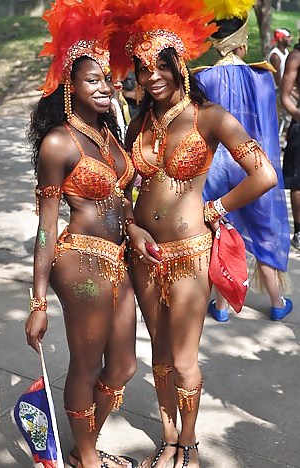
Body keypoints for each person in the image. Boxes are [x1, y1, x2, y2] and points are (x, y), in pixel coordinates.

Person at [109, 1, 278, 467]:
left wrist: (218, 207)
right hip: (143, 253)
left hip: (190, 253)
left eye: (161, 66)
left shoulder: (209, 117)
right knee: (159, 354)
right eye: (143, 70)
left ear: (178, 65)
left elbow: (262, 173)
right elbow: (122, 189)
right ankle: (168, 441)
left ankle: (189, 445)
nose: (152, 77)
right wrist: (132, 224)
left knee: (183, 360)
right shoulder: (139, 123)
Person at [24, 1, 137, 468]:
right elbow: (47, 226)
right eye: (93, 79)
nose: (106, 87)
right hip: (80, 264)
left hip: (119, 258)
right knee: (87, 365)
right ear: (69, 86)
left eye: (108, 79)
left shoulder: (111, 135)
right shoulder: (59, 142)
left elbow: (120, 201)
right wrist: (37, 301)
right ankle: (87, 457)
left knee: (124, 366)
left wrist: (136, 228)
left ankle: (81, 444)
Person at [194, 5, 293, 322]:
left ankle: (221, 307)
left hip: (217, 166)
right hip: (252, 162)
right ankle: (277, 302)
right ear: (241, 40)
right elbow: (266, 125)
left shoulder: (203, 78)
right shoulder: (262, 77)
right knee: (263, 229)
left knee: (223, 228)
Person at [281, 36, 300, 250]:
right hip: (299, 125)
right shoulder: (296, 56)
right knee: (298, 182)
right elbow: (285, 96)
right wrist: (297, 114)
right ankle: (299, 231)